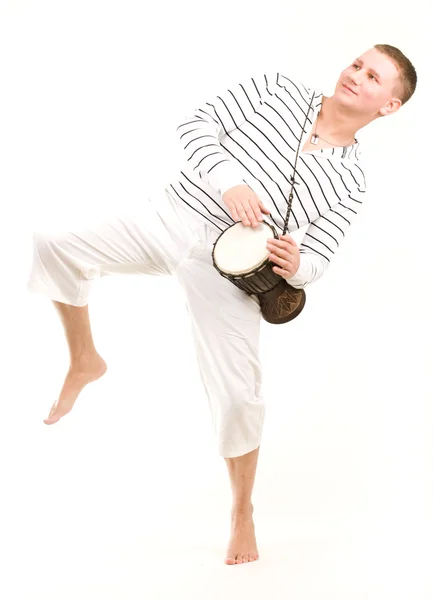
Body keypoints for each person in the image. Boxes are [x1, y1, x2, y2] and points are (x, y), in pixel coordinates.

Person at [26, 44, 417, 565]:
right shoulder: (278, 88)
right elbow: (196, 125)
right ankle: (84, 359)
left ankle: (241, 512)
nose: (356, 75)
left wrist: (293, 262)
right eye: (358, 64)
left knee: (238, 397)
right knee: (54, 242)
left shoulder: (351, 179)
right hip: (171, 218)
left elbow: (320, 256)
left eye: (373, 78)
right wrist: (229, 181)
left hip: (230, 275)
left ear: (388, 107)